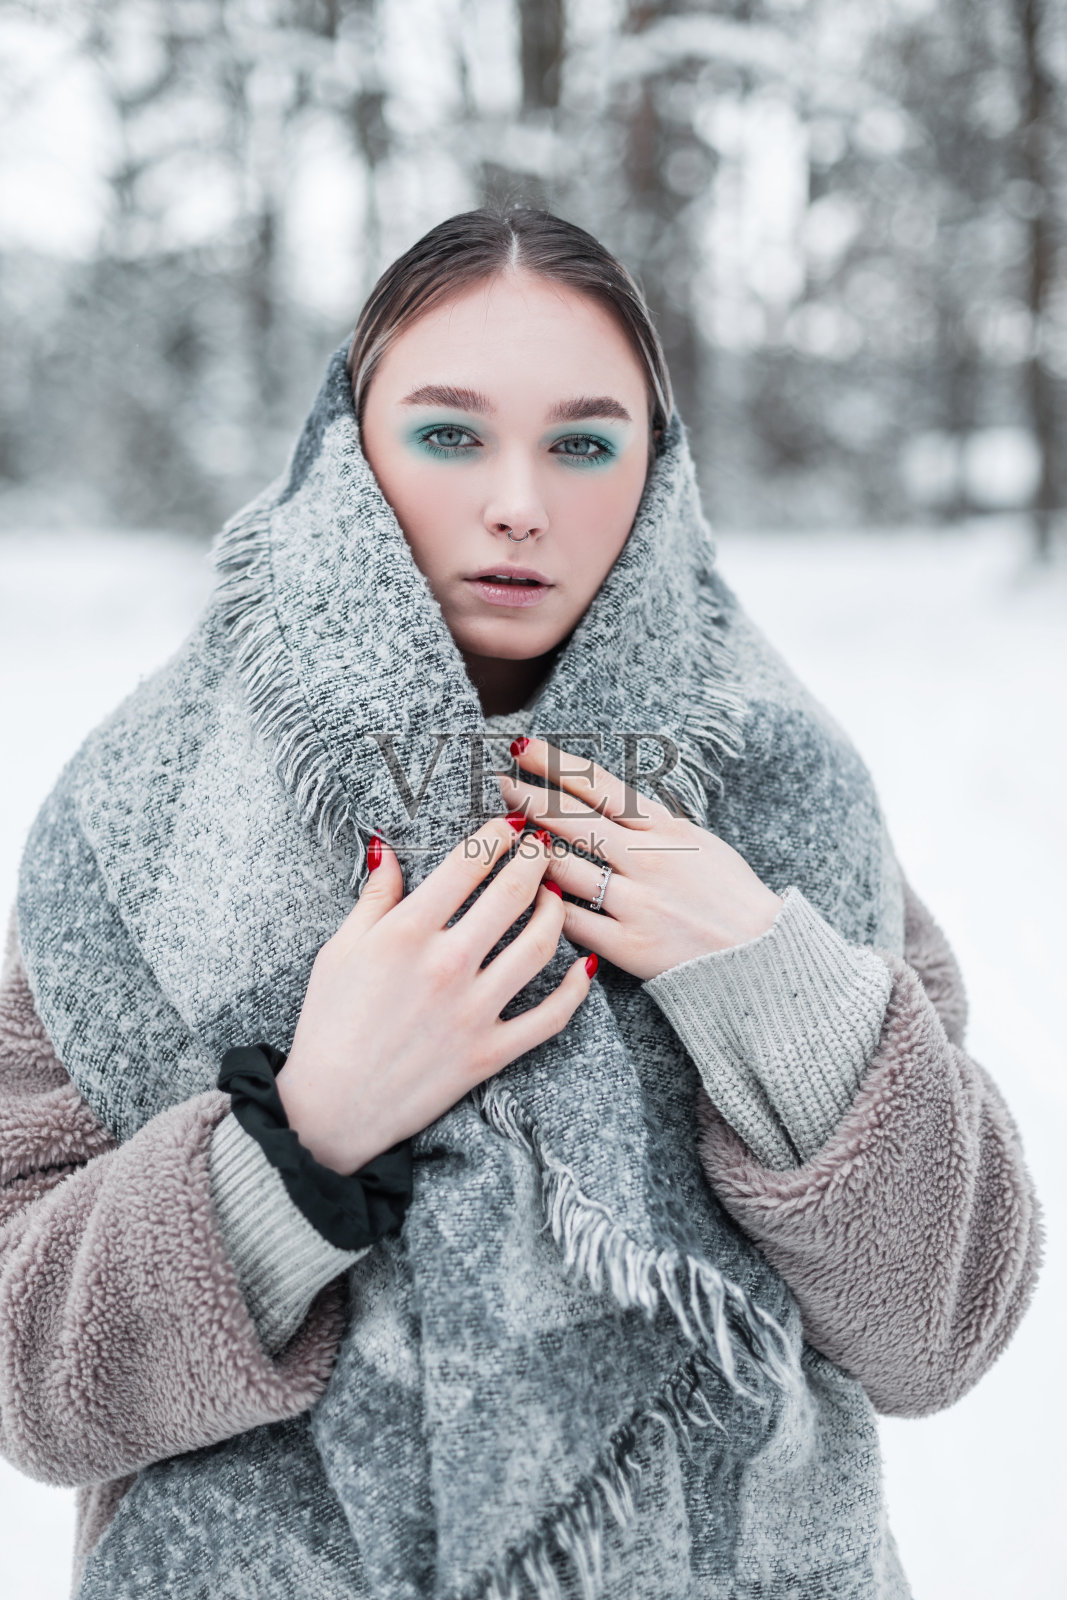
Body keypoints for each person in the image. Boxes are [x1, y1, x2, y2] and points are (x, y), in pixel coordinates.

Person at [0, 207, 1043, 1600]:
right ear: (352, 447)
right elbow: (30, 1378)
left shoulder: (780, 792)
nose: (518, 504)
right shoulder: (153, 807)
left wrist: (774, 994)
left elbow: (941, 1330)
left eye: (583, 444)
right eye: (449, 434)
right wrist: (300, 1143)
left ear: (656, 467)